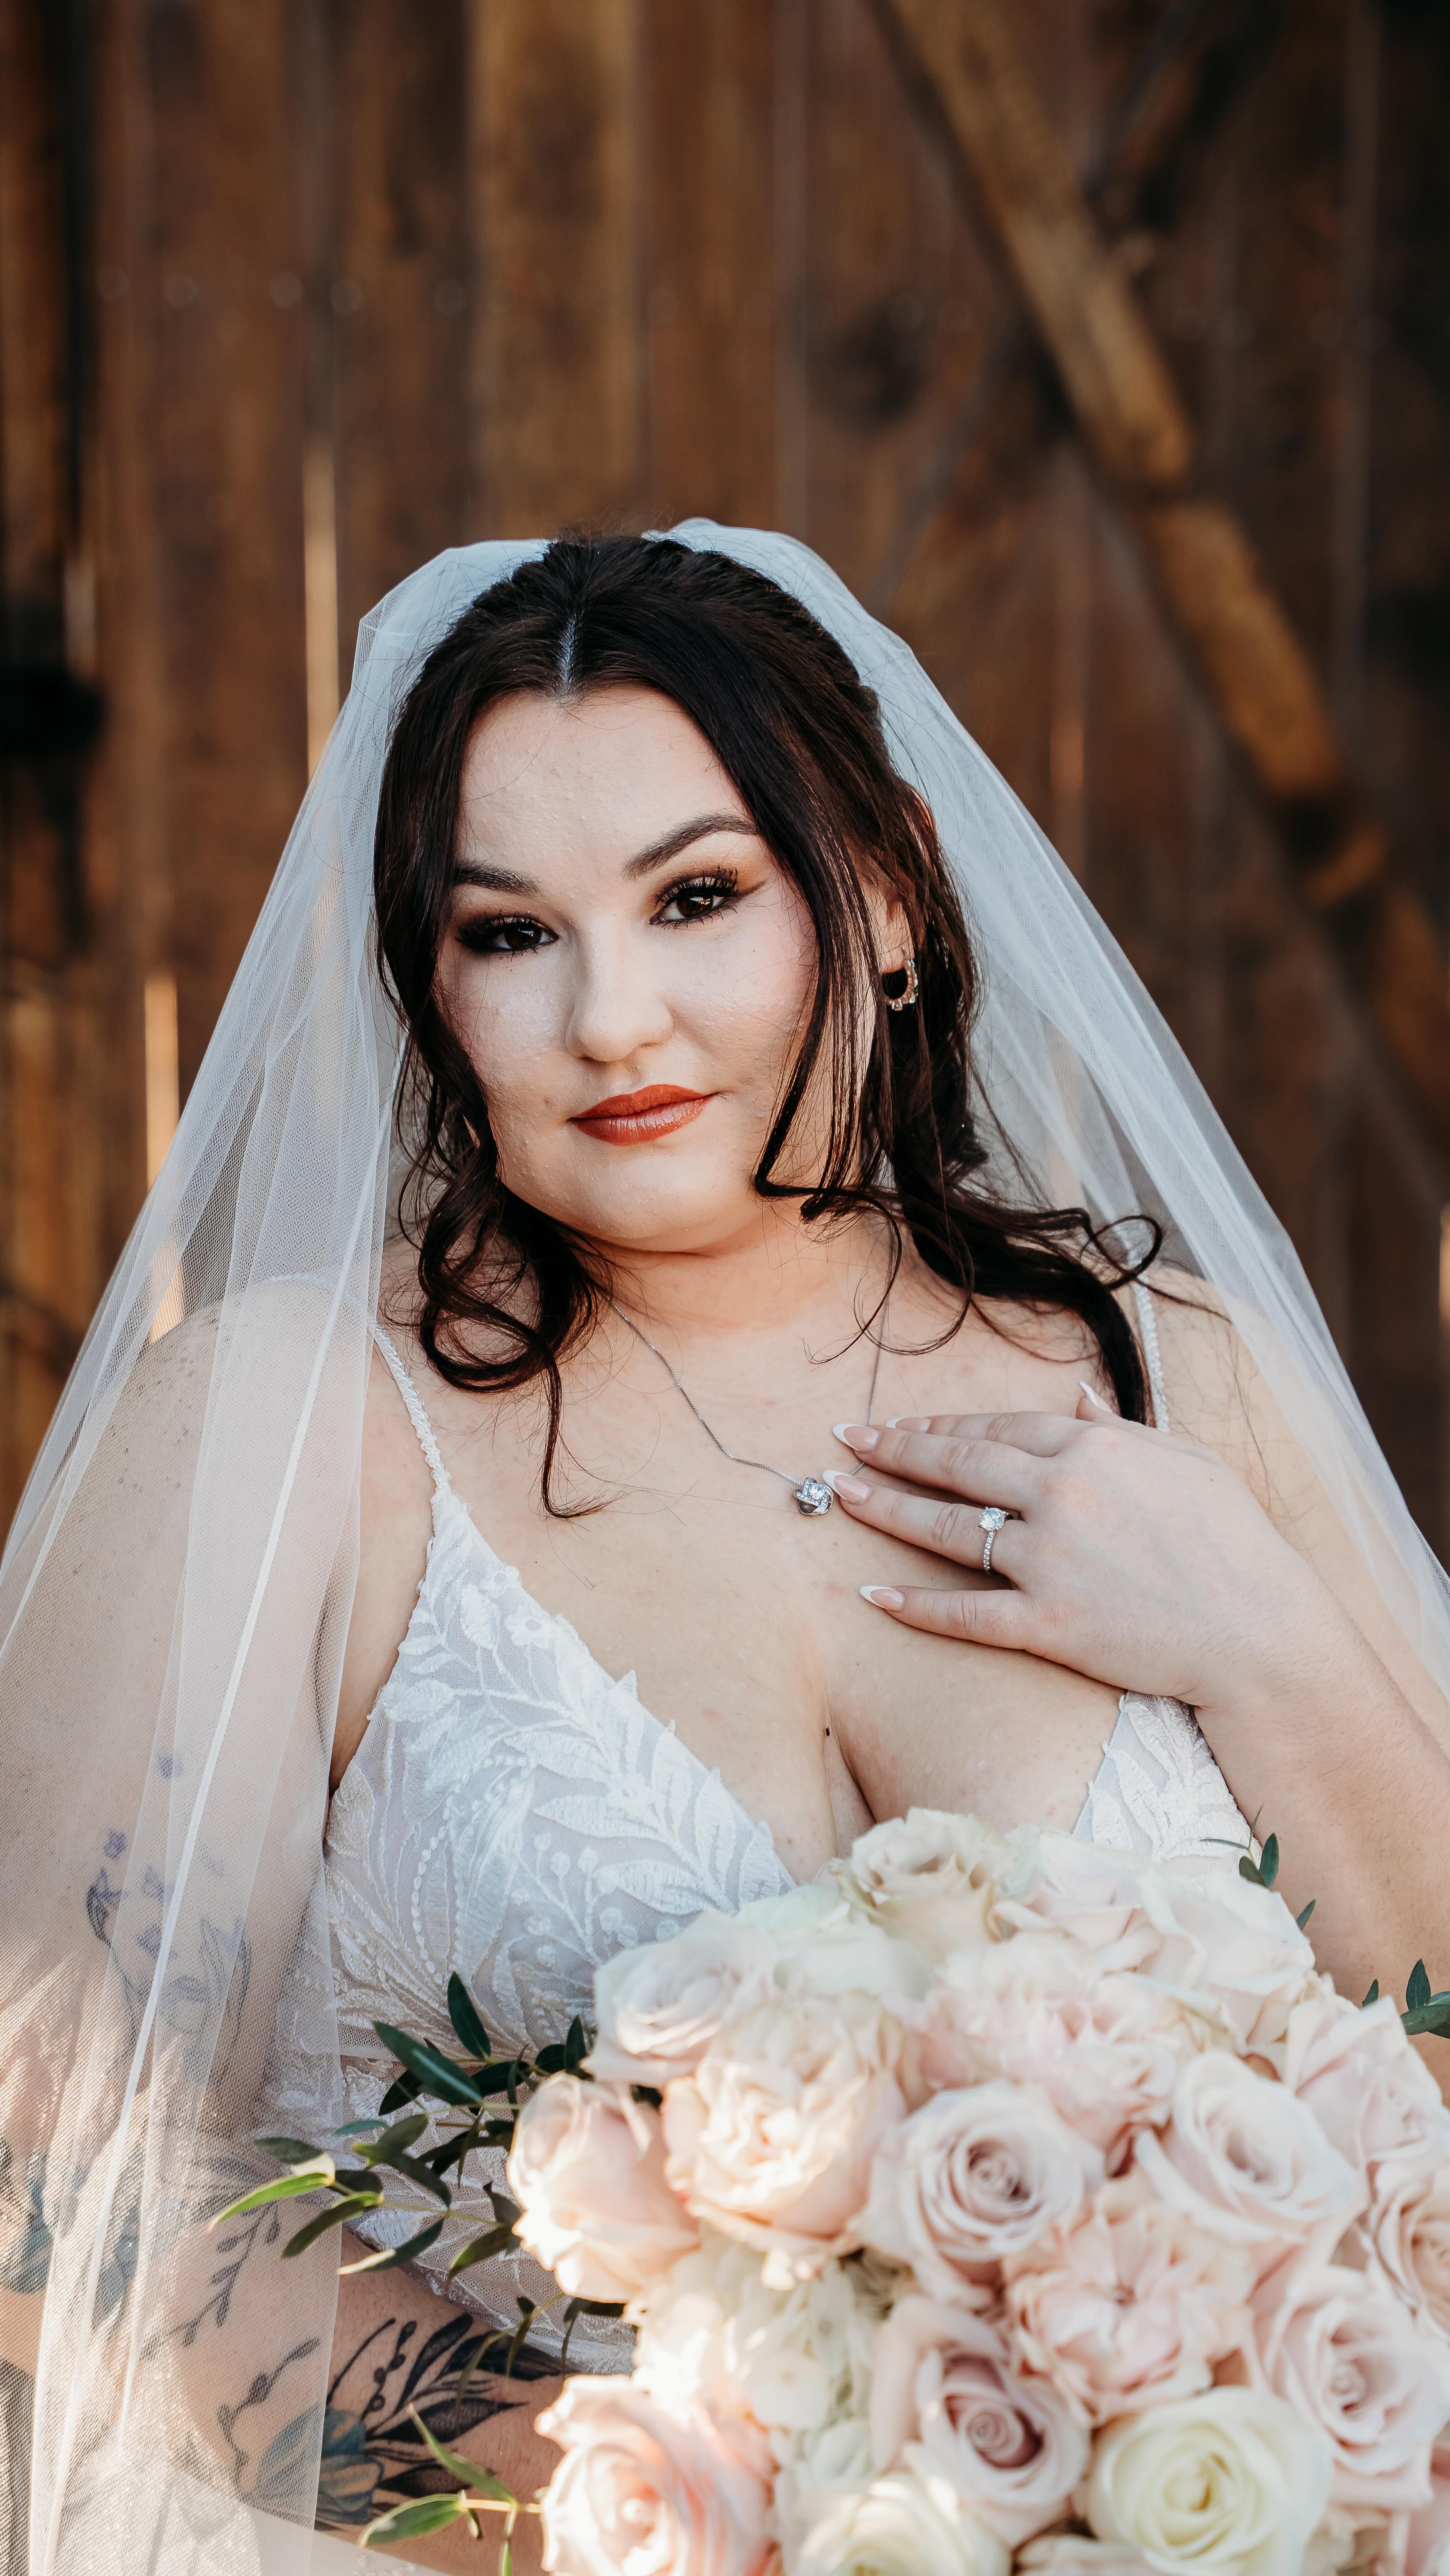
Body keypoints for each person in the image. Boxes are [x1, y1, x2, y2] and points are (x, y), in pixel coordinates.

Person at [3, 526, 1448, 2575]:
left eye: (697, 897)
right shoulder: (278, 1436)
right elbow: (57, 2196)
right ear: (426, 979)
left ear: (882, 894)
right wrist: (685, 2503)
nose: (611, 1018)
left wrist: (1268, 1638)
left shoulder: (1178, 1384)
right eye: (507, 932)